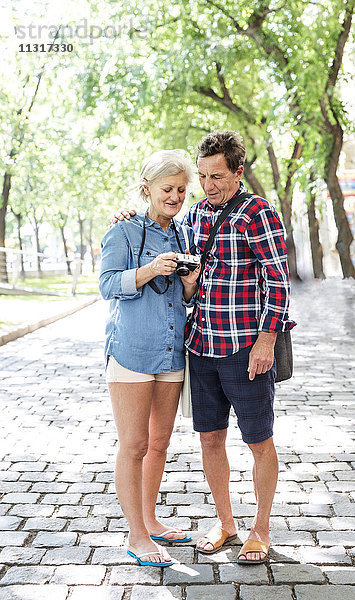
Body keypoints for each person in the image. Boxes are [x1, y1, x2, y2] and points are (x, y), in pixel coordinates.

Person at [113, 131, 296, 565]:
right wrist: (128, 214)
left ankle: (261, 529)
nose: (209, 184)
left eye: (217, 176)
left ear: (238, 171)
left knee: (259, 440)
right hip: (200, 347)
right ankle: (227, 522)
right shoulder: (193, 216)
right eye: (203, 176)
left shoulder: (259, 213)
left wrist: (267, 340)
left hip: (246, 347)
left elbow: (278, 282)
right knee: (210, 439)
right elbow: (164, 244)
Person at [99, 150, 200, 567]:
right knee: (135, 445)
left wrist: (190, 283)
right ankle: (136, 535)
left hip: (171, 352)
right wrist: (149, 270)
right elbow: (106, 285)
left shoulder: (184, 235)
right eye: (167, 189)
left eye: (181, 189)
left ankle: (152, 521)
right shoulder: (123, 231)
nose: (175, 196)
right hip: (131, 352)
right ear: (148, 189)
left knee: (159, 443)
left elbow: (184, 298)